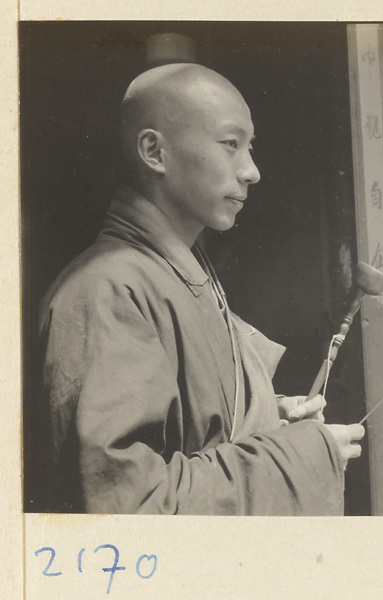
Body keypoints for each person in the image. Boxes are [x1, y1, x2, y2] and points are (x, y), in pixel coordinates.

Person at [32, 63, 365, 515]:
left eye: (250, 148)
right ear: (154, 151)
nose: (252, 172)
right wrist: (300, 456)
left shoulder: (176, 272)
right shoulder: (106, 290)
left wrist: (269, 418)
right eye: (231, 145)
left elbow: (194, 430)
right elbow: (131, 504)